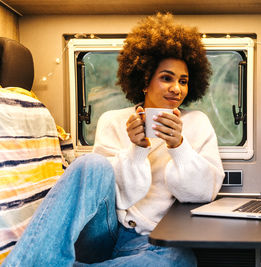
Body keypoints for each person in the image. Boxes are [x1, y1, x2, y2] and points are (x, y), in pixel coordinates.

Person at [3, 13, 224, 267]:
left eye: (183, 81)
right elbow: (110, 193)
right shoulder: (112, 120)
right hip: (103, 232)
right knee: (91, 164)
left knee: (180, 260)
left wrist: (179, 146)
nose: (177, 88)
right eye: (167, 78)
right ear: (145, 80)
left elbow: (204, 193)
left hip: (151, 240)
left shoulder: (197, 123)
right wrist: (136, 150)